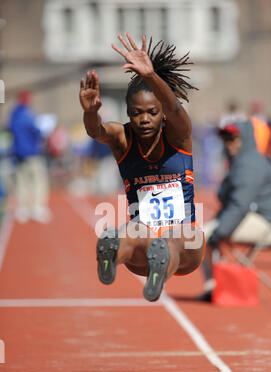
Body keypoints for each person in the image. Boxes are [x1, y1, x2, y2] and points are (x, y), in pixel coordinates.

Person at [79, 33, 205, 302]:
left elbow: (174, 106)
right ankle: (112, 253)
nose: (144, 119)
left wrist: (150, 75)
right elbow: (96, 132)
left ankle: (161, 268)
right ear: (128, 113)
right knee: (131, 231)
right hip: (142, 245)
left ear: (162, 114)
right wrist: (90, 112)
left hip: (185, 246)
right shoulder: (122, 138)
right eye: (136, 113)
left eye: (152, 112)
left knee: (181, 235)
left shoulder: (179, 135)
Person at [196, 120, 271, 301]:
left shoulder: (249, 164)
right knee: (210, 232)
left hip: (268, 223)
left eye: (233, 138)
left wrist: (220, 232)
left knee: (205, 236)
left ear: (244, 139)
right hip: (255, 216)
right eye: (225, 139)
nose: (229, 143)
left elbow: (239, 204)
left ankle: (214, 287)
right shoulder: (239, 161)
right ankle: (217, 287)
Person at [8, 91, 51, 223]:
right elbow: (37, 132)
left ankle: (23, 208)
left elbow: (10, 131)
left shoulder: (14, 115)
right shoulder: (28, 115)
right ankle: (37, 208)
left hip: (18, 154)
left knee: (22, 181)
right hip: (31, 153)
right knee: (38, 180)